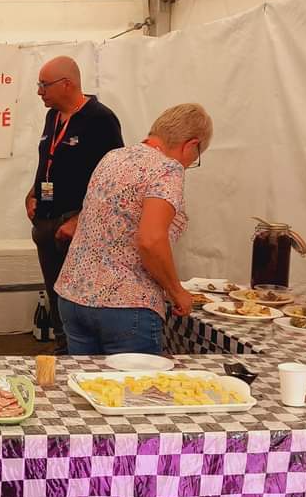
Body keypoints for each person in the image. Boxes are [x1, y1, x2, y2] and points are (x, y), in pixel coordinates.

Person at [54, 103, 211, 355]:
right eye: (196, 157)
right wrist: (176, 291)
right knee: (133, 382)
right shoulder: (167, 169)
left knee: (85, 379)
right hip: (125, 304)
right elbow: (150, 240)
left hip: (74, 295)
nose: (190, 163)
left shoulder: (113, 157)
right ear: (191, 145)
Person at [25, 56, 124, 354]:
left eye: (44, 85)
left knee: (77, 297)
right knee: (55, 293)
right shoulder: (52, 117)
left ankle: (80, 354)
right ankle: (62, 349)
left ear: (67, 84)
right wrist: (32, 193)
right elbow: (49, 162)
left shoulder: (100, 119)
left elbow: (113, 178)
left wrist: (81, 219)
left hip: (77, 226)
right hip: (46, 220)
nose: (39, 91)